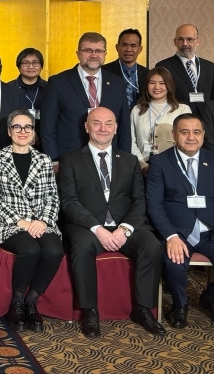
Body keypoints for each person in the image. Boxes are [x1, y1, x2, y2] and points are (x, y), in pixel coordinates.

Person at [57, 107, 165, 338]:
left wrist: (124, 229)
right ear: (87, 127)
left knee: (152, 245)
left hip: (124, 225)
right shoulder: (70, 160)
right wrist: (98, 229)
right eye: (96, 123)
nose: (103, 128)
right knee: (83, 246)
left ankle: (144, 309)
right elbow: (69, 202)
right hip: (87, 226)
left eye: (108, 123)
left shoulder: (130, 161)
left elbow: (139, 200)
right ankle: (90, 310)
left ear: (116, 128)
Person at [145, 113, 214, 330]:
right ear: (174, 135)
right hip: (177, 231)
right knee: (173, 264)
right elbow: (153, 205)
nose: (191, 137)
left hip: (211, 231)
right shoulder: (159, 163)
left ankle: (211, 300)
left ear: (203, 135)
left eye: (196, 132)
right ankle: (180, 305)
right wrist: (171, 237)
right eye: (184, 132)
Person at [0, 110, 64, 334]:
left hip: (41, 221)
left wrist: (43, 220)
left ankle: (32, 300)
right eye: (17, 127)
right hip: (9, 223)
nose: (23, 131)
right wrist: (21, 222)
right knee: (29, 249)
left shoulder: (44, 159)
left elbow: (52, 196)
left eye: (28, 127)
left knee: (54, 250)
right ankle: (17, 302)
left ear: (33, 131)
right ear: (9, 131)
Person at [40, 32, 131, 162]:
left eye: (99, 51)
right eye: (88, 50)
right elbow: (47, 127)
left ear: (105, 54)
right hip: (68, 157)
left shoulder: (117, 83)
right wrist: (53, 160)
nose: (94, 55)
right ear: (78, 54)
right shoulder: (58, 82)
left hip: (109, 156)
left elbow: (124, 127)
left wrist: (124, 159)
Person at [128, 67, 191, 172]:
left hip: (174, 166)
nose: (157, 87)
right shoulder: (137, 110)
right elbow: (131, 141)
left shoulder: (182, 109)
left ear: (169, 85)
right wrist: (142, 165)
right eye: (152, 83)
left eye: (162, 83)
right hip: (144, 166)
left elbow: (187, 141)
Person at [155, 24, 214, 119]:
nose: (185, 43)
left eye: (190, 39)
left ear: (198, 42)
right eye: (180, 39)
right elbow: (161, 98)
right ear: (175, 42)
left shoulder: (209, 66)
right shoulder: (164, 66)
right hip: (177, 119)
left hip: (206, 121)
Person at [102, 29, 148, 110]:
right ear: (117, 47)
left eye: (133, 45)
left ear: (140, 49)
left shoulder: (148, 74)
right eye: (124, 45)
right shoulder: (104, 71)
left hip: (140, 119)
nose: (128, 49)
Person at [8, 48, 48, 122]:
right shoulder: (8, 89)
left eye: (35, 63)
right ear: (18, 67)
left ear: (41, 66)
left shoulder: (50, 88)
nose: (30, 66)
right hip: (19, 132)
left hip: (44, 131)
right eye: (25, 63)